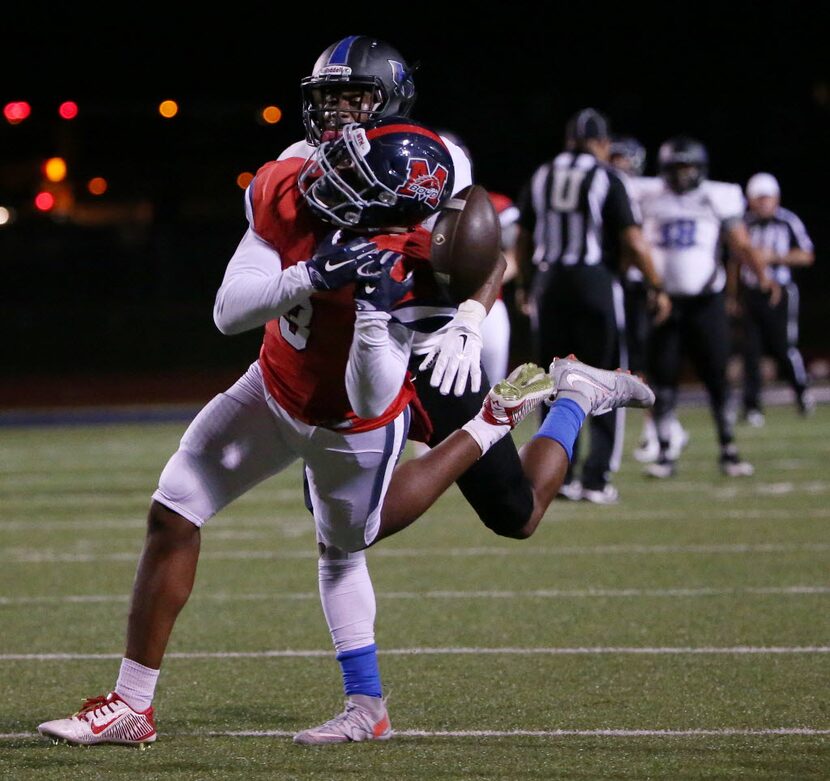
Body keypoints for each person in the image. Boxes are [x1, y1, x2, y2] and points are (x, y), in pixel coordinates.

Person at [36, 116, 658, 747]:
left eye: (351, 177)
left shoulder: (423, 258)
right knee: (173, 509)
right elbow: (229, 311)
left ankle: (514, 415)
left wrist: (380, 310)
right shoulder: (291, 188)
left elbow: (378, 388)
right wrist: (313, 275)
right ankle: (131, 705)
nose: (326, 176)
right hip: (273, 385)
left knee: (352, 544)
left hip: (352, 418)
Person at [515, 108, 670, 504]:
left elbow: (524, 237)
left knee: (550, 382)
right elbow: (633, 241)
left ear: (569, 140)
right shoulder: (606, 177)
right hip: (594, 282)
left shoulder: (542, 174)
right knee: (604, 379)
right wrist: (656, 284)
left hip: (550, 284)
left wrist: (529, 285)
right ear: (602, 143)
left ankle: (556, 477)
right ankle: (596, 479)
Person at [633, 137, 778, 478]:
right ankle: (666, 453)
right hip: (664, 302)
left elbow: (739, 241)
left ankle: (728, 449)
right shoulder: (648, 195)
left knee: (717, 377)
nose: (683, 176)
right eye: (676, 169)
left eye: (688, 168)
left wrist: (762, 274)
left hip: (705, 302)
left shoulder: (718, 196)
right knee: (663, 379)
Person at [608, 136, 690, 464]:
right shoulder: (613, 188)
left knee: (640, 362)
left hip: (640, 285)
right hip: (626, 285)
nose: (618, 166)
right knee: (630, 361)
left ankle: (660, 429)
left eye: (623, 160)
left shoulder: (644, 191)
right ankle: (661, 428)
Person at [732, 172, 815, 425]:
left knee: (783, 347)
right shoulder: (743, 223)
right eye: (759, 198)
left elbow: (806, 255)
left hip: (781, 291)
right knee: (751, 351)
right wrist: (732, 295)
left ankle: (801, 391)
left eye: (768, 198)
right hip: (751, 293)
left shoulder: (788, 221)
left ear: (776, 198)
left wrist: (775, 257)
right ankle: (752, 406)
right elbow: (733, 261)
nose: (764, 203)